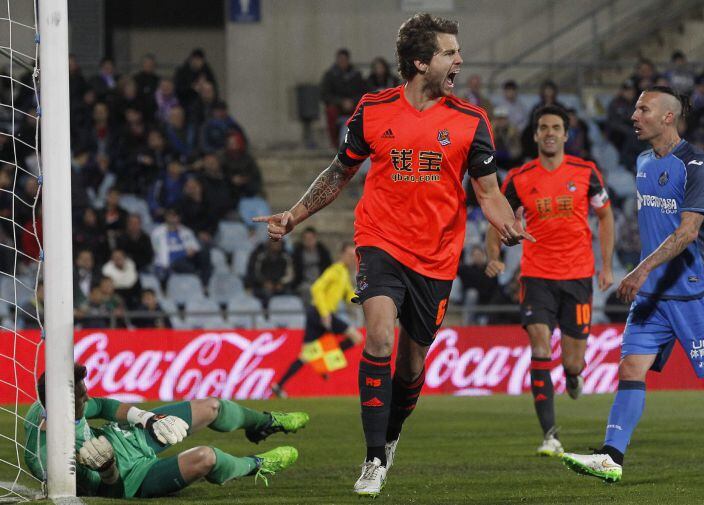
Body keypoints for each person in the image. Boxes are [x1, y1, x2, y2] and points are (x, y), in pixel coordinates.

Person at [254, 13, 532, 497]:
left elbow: (488, 192)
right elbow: (339, 173)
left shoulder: (470, 121)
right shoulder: (373, 109)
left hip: (437, 256)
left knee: (410, 367)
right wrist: (294, 215)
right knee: (379, 336)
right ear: (421, 62)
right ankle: (373, 457)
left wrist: (505, 222)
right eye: (450, 53)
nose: (460, 61)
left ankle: (393, 432)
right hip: (380, 240)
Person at [562, 86, 704, 484]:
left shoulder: (697, 165)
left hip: (695, 290)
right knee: (630, 366)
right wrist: (644, 273)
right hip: (654, 294)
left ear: (668, 117)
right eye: (635, 108)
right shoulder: (640, 161)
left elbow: (688, 232)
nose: (634, 116)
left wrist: (639, 270)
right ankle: (611, 456)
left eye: (643, 109)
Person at [486, 104, 614, 458]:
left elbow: (605, 217)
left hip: (577, 276)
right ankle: (550, 435)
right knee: (539, 347)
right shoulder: (520, 176)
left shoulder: (587, 172)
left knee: (573, 362)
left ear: (566, 134)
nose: (550, 133)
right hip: (536, 275)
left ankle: (573, 376)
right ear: (535, 134)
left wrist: (605, 266)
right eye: (543, 127)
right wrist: (494, 256)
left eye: (556, 127)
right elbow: (496, 217)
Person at [24, 363, 307, 498]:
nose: (87, 398)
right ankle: (257, 465)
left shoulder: (51, 405)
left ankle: (263, 424)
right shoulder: (50, 457)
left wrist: (147, 418)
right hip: (131, 478)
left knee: (211, 406)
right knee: (206, 457)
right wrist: (108, 469)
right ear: (62, 402)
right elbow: (111, 493)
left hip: (125, 438)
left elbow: (106, 407)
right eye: (81, 396)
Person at [271, 242, 364, 398]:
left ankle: (278, 386)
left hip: (318, 314)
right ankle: (323, 359)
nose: (351, 259)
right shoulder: (335, 271)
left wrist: (363, 299)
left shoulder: (343, 274)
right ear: (341, 255)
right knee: (356, 337)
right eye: (349, 255)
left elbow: (349, 295)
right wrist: (325, 314)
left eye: (353, 256)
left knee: (305, 356)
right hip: (320, 314)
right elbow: (316, 288)